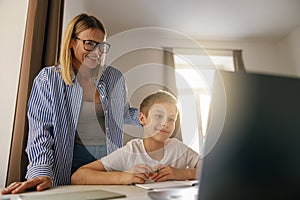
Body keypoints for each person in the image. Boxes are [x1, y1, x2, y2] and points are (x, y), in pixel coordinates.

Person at [1, 13, 139, 195]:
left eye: (101, 45)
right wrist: (42, 172)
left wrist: (150, 114)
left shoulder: (114, 77)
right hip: (69, 164)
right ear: (72, 42)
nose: (97, 52)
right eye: (89, 43)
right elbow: (41, 133)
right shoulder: (48, 79)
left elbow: (122, 114)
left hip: (107, 163)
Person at [71, 90, 200, 185]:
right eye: (159, 116)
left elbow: (214, 171)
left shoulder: (179, 148)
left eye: (171, 119)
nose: (165, 123)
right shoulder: (130, 151)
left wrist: (183, 173)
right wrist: (124, 177)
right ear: (142, 119)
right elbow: (78, 176)